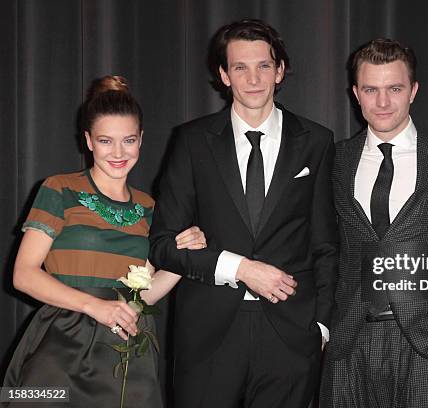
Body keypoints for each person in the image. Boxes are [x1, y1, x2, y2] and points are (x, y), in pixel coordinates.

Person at [148, 19, 338, 408]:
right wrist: (239, 267)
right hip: (207, 335)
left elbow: (326, 243)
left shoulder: (317, 142)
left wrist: (319, 327)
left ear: (280, 70)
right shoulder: (190, 142)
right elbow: (163, 246)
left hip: (290, 335)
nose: (253, 79)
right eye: (240, 67)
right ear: (223, 74)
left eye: (263, 66)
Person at [2, 76, 204, 407]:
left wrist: (184, 257)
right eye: (106, 141)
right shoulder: (59, 188)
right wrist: (94, 306)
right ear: (89, 141)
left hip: (127, 352)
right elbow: (23, 275)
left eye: (128, 140)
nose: (119, 152)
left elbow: (144, 294)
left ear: (141, 140)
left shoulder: (151, 208)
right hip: (62, 343)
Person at [320, 39, 428, 407]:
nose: (383, 102)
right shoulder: (335, 160)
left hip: (423, 341)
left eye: (394, 89)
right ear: (356, 94)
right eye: (371, 89)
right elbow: (322, 246)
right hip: (349, 338)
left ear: (413, 91)